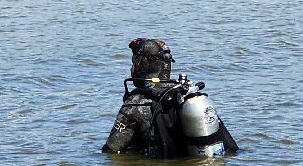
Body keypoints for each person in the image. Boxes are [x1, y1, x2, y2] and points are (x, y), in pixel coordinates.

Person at [102, 38, 238, 157]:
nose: (132, 68)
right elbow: (231, 149)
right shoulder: (191, 98)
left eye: (134, 62)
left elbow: (111, 152)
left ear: (144, 64)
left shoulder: (134, 105)